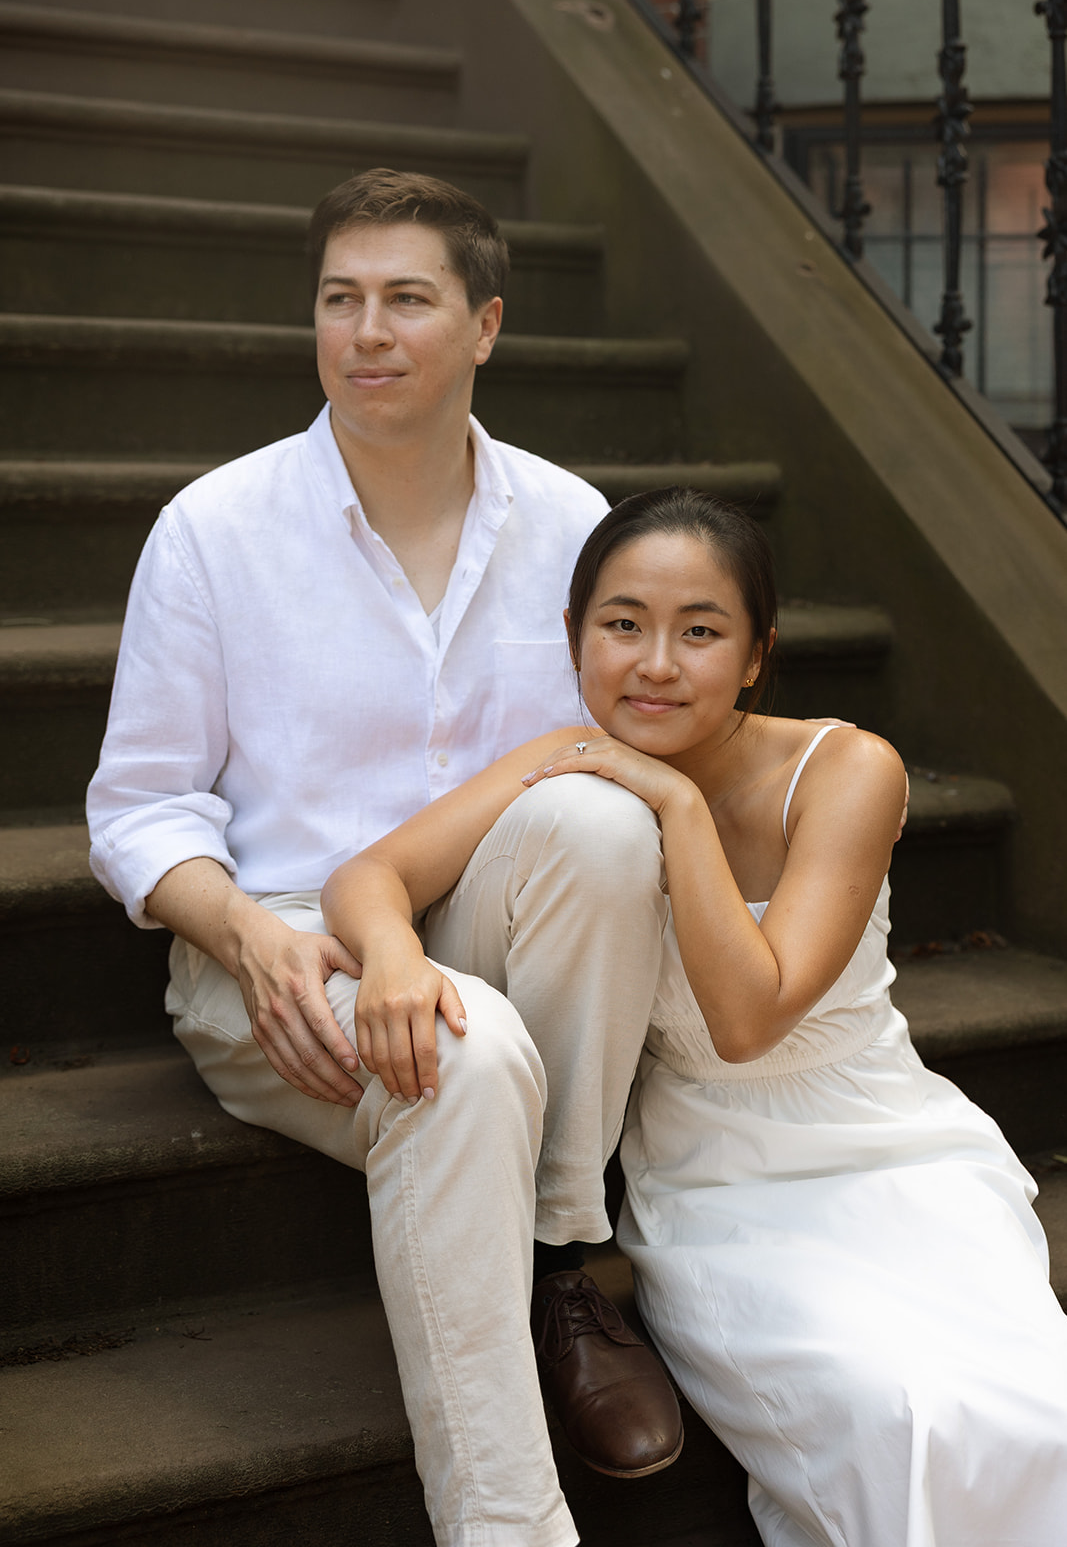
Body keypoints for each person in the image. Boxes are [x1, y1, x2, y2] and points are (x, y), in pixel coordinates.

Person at [86, 169, 682, 1547]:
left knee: (595, 822)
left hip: (470, 925)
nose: (366, 331)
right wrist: (243, 934)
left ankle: (558, 1253)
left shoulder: (570, 523)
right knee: (461, 1058)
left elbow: (622, 753)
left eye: (405, 300)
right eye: (339, 300)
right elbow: (140, 810)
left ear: (481, 323)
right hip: (280, 952)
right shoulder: (214, 531)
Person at [322, 487, 1067, 1547]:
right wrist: (393, 952)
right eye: (621, 625)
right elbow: (367, 875)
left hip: (880, 1151)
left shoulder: (845, 771)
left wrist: (672, 804)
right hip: (713, 1178)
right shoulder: (562, 767)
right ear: (576, 639)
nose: (655, 663)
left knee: (1021, 1408)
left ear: (755, 654)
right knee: (894, 1402)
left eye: (699, 631)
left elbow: (747, 1017)